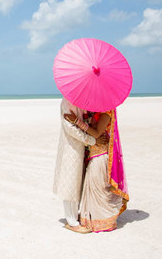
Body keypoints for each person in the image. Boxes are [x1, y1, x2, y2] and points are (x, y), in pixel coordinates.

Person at [66, 108, 129, 233]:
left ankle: (100, 221)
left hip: (100, 155)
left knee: (97, 189)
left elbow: (97, 134)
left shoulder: (107, 112)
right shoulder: (97, 112)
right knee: (93, 187)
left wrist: (77, 122)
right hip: (95, 153)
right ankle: (93, 218)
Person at [53, 98, 96, 232]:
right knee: (70, 181)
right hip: (71, 146)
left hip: (81, 146)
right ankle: (71, 220)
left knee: (78, 180)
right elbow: (69, 127)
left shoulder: (81, 101)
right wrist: (90, 140)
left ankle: (75, 214)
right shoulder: (68, 101)